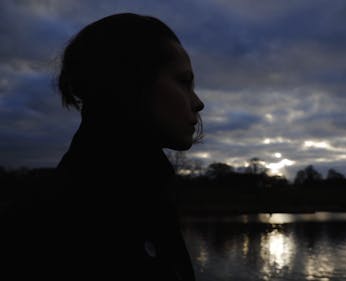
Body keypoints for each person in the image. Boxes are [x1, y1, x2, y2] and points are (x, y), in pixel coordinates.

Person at [1, 13, 204, 280]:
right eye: (183, 82)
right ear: (129, 82)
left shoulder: (147, 195)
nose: (198, 102)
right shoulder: (59, 219)